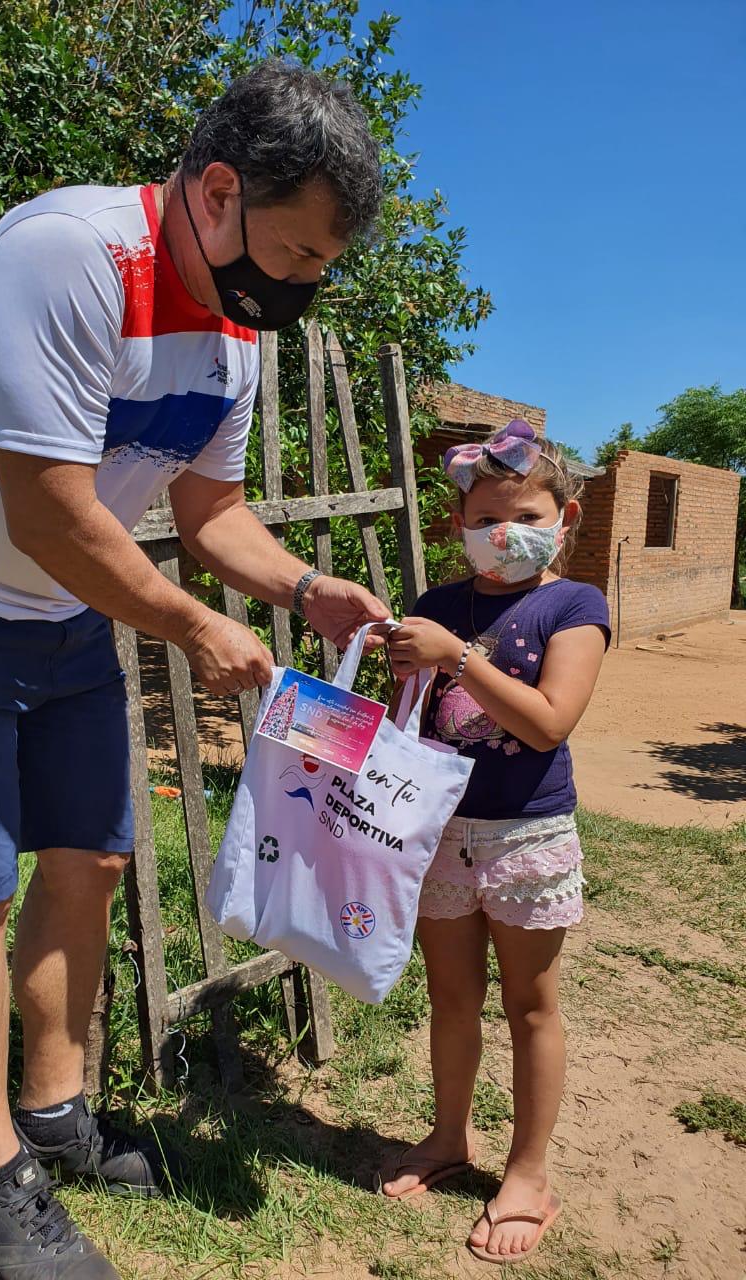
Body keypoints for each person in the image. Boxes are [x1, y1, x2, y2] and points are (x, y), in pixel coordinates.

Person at [0, 61, 389, 1280]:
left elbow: (212, 513)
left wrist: (301, 587)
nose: (299, 287)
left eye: (316, 269)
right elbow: (48, 511)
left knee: (93, 852)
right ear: (218, 189)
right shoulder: (70, 253)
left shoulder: (236, 336)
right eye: (293, 254)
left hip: (60, 603)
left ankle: (54, 1114)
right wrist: (195, 629)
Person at [380, 420, 610, 1266]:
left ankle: (527, 1172)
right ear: (457, 524)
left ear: (565, 515)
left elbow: (549, 724)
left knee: (530, 1004)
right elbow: (409, 720)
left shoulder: (574, 605)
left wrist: (457, 658)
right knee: (450, 1000)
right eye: (485, 518)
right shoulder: (439, 606)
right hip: (442, 836)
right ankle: (449, 1139)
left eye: (524, 514)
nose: (502, 532)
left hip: (528, 837)